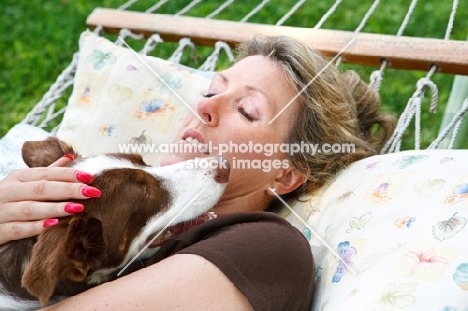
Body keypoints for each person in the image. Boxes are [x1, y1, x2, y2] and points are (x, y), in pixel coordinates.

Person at [0, 35, 395, 310]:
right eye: (210, 91)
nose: (205, 107)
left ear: (285, 175)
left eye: (246, 110)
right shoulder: (98, 187)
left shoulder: (266, 249)